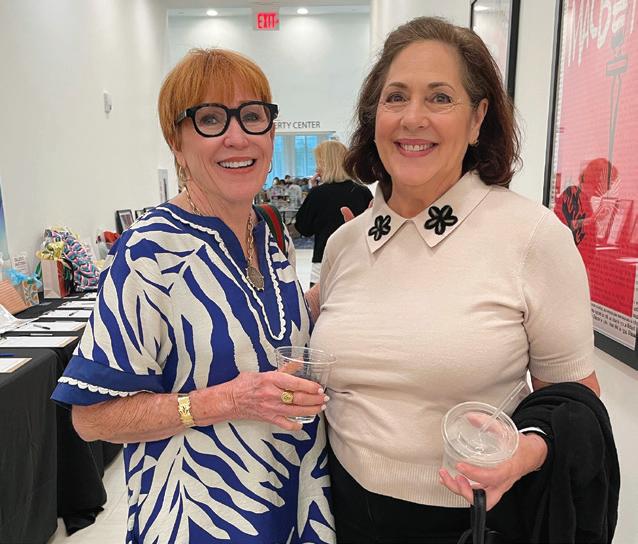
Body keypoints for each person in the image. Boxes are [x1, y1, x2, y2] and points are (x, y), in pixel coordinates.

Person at [309, 17, 604, 543]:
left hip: (473, 522)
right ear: (374, 117)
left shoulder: (531, 237)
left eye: (440, 98)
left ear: (477, 119)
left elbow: (575, 400)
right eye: (396, 97)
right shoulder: (345, 245)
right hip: (343, 514)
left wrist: (525, 452)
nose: (412, 118)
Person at [51, 48, 334, 544]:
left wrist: (340, 284)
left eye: (252, 116)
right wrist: (227, 400)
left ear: (270, 133)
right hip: (200, 516)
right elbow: (91, 419)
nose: (237, 136)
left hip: (290, 499)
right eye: (210, 119)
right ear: (176, 143)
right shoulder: (149, 251)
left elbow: (257, 326)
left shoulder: (267, 230)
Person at [294, 141, 372, 287]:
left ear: (326, 164)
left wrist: (313, 191)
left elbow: (303, 228)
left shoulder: (317, 194)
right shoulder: (362, 192)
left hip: (324, 261)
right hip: (358, 260)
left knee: (322, 300)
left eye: (318, 163)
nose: (317, 168)